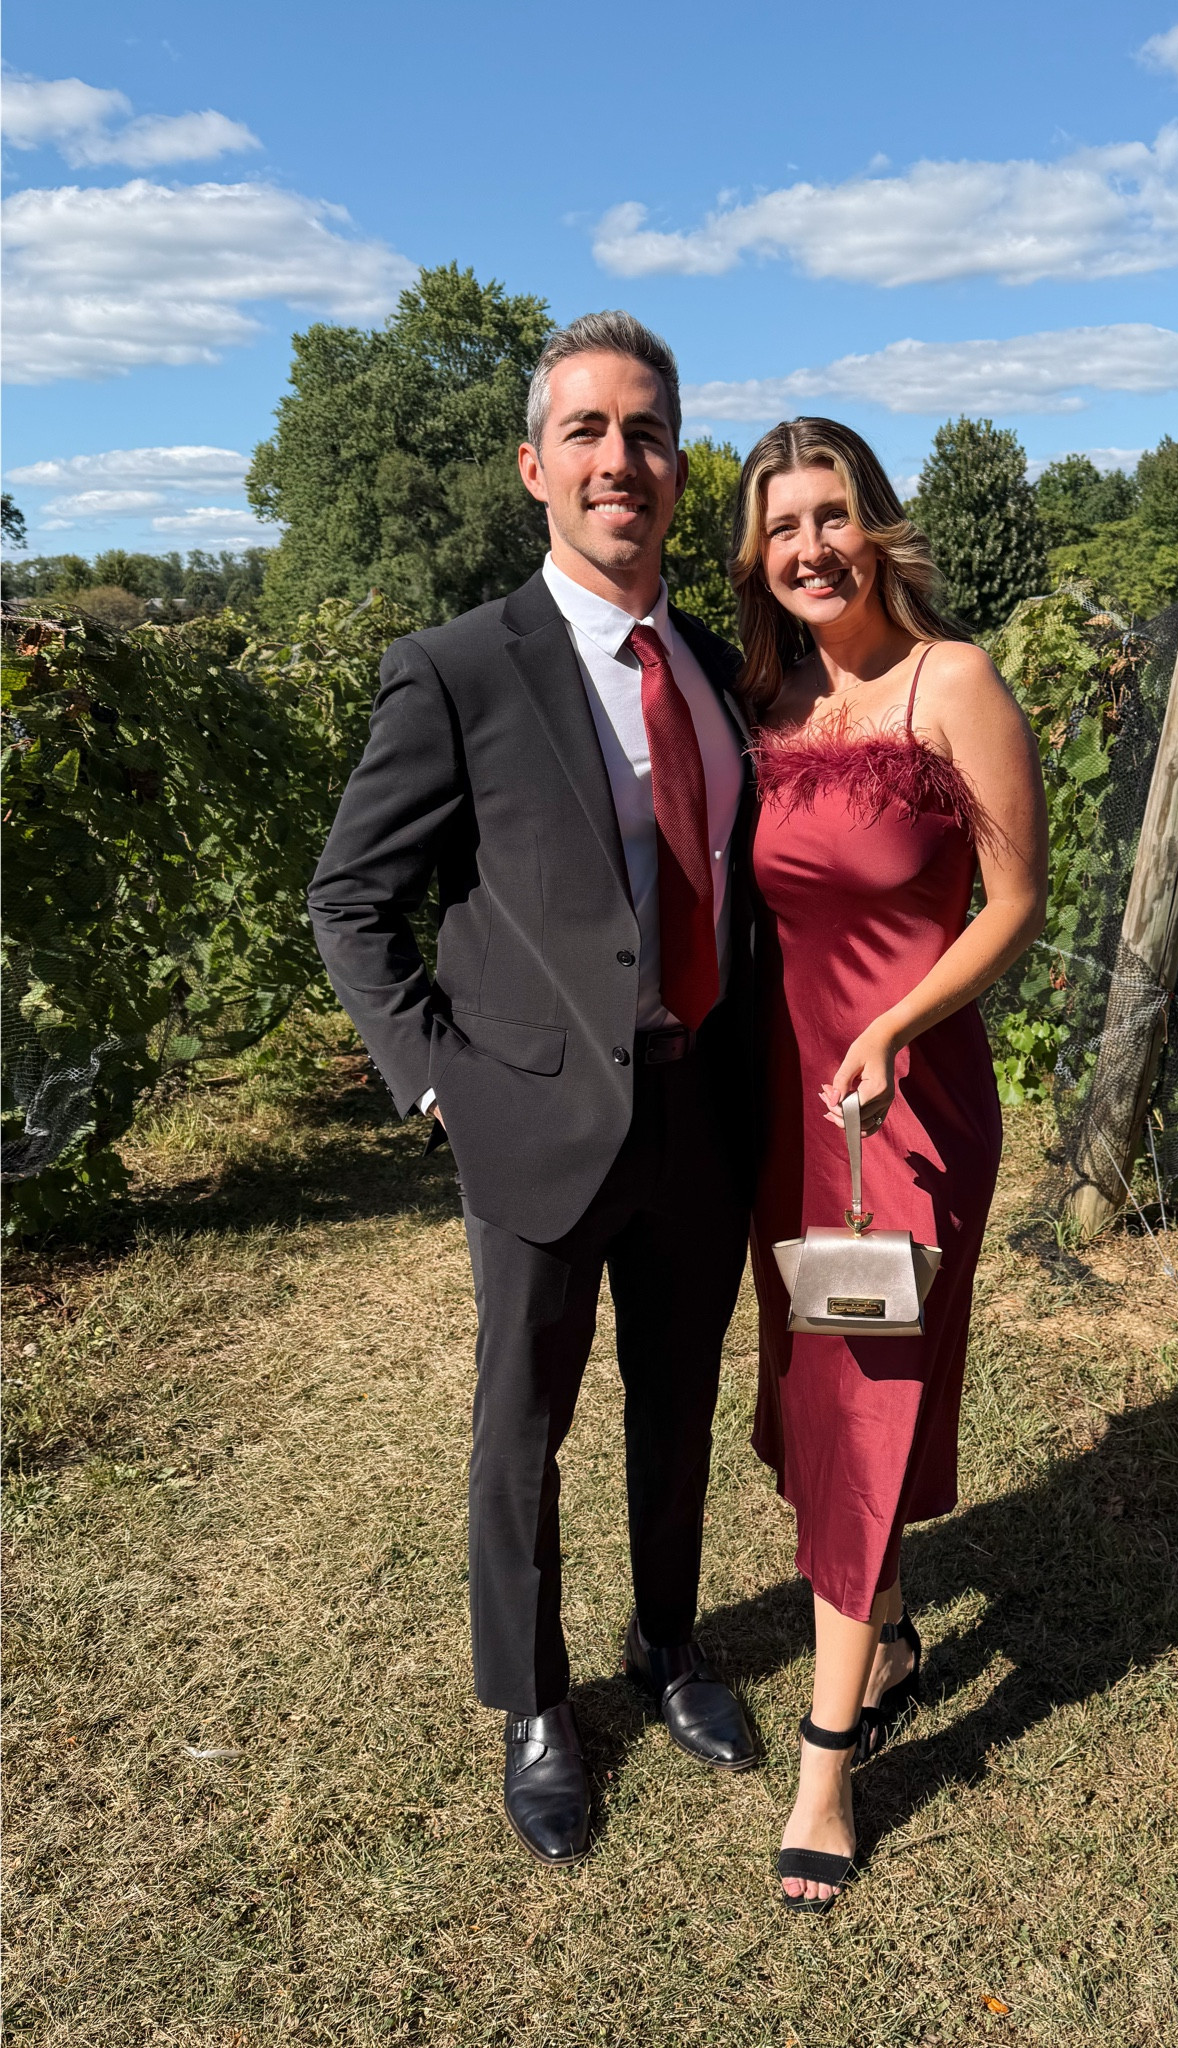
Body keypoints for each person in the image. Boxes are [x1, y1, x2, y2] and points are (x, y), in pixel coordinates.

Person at [308, 311, 760, 1868]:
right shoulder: (456, 672)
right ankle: (534, 1703)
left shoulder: (707, 665)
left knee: (679, 1402)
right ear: (534, 465)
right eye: (586, 431)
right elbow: (348, 901)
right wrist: (438, 1085)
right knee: (523, 1428)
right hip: (535, 1118)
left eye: (643, 433)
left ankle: (668, 1645)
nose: (616, 459)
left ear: (678, 473)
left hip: (700, 1112)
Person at [734, 419, 1049, 1910]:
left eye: (833, 515)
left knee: (862, 1390)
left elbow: (1016, 902)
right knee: (820, 1384)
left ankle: (825, 1763)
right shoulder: (774, 695)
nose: (810, 547)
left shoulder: (953, 683)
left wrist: (898, 1025)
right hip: (787, 1107)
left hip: (900, 1109)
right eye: (782, 525)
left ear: (879, 525)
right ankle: (898, 1619)